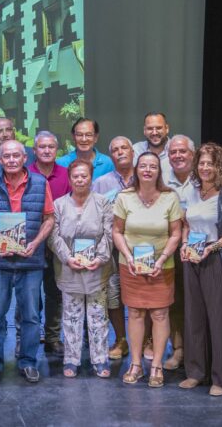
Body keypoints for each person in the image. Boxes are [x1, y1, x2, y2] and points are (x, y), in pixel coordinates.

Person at [0, 140, 55, 384]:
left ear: (25, 158)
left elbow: (49, 218)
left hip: (30, 262)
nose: (12, 160)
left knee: (31, 317)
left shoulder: (40, 183)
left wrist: (36, 243)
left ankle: (28, 362)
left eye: (16, 155)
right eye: (7, 156)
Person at [178, 142, 222, 397]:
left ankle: (220, 378)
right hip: (192, 256)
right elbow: (186, 223)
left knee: (218, 319)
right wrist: (184, 244)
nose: (205, 167)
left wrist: (213, 247)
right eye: (202, 163)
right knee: (193, 317)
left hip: (216, 257)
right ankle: (196, 372)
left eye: (211, 163)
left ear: (220, 167)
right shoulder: (192, 191)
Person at [112, 152, 183, 387]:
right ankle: (135, 364)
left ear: (159, 171)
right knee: (135, 313)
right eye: (143, 166)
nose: (147, 170)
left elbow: (176, 233)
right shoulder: (124, 197)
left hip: (162, 266)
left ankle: (157, 365)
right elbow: (117, 231)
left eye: (153, 166)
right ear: (137, 169)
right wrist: (128, 256)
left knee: (160, 314)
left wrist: (162, 259)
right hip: (131, 266)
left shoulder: (170, 197)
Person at [50, 160, 113, 378]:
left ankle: (100, 359)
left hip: (97, 269)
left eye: (84, 176)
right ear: (69, 179)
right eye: (75, 176)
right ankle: (71, 359)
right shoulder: (59, 204)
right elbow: (54, 235)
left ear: (90, 178)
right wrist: (67, 258)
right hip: (69, 268)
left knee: (98, 317)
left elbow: (109, 233)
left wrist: (100, 258)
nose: (79, 180)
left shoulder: (103, 202)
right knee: (71, 316)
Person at [92, 136, 135, 361]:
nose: (120, 152)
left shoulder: (145, 176)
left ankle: (146, 340)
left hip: (140, 248)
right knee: (113, 296)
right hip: (110, 249)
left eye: (124, 148)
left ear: (133, 152)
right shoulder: (101, 183)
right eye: (115, 149)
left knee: (141, 295)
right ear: (111, 156)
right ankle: (121, 340)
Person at [29, 130, 70, 356]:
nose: (46, 150)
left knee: (55, 293)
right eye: (42, 147)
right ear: (34, 151)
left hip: (59, 244)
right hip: (31, 244)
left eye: (51, 147)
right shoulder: (25, 173)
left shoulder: (66, 175)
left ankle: (53, 337)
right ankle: (28, 337)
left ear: (57, 150)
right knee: (30, 294)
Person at [161, 134, 198, 370]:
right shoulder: (162, 178)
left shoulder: (204, 176)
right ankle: (179, 350)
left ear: (193, 154)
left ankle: (205, 352)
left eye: (182, 151)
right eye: (173, 152)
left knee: (201, 302)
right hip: (172, 248)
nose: (177, 156)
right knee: (174, 302)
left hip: (202, 249)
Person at [131, 112, 172, 177]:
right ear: (144, 130)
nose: (154, 133)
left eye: (158, 128)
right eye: (150, 128)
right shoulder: (135, 151)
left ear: (167, 128)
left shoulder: (178, 151)